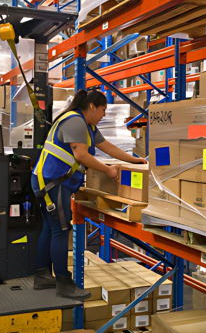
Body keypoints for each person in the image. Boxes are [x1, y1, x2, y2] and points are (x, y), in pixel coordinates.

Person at [31, 89, 147, 299]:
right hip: (51, 184)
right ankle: (64, 284)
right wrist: (108, 170)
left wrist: (134, 160)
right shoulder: (75, 121)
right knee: (60, 231)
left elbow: (108, 147)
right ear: (92, 106)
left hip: (53, 182)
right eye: (102, 109)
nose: (104, 114)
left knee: (50, 228)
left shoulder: (88, 126)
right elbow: (81, 155)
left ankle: (42, 276)